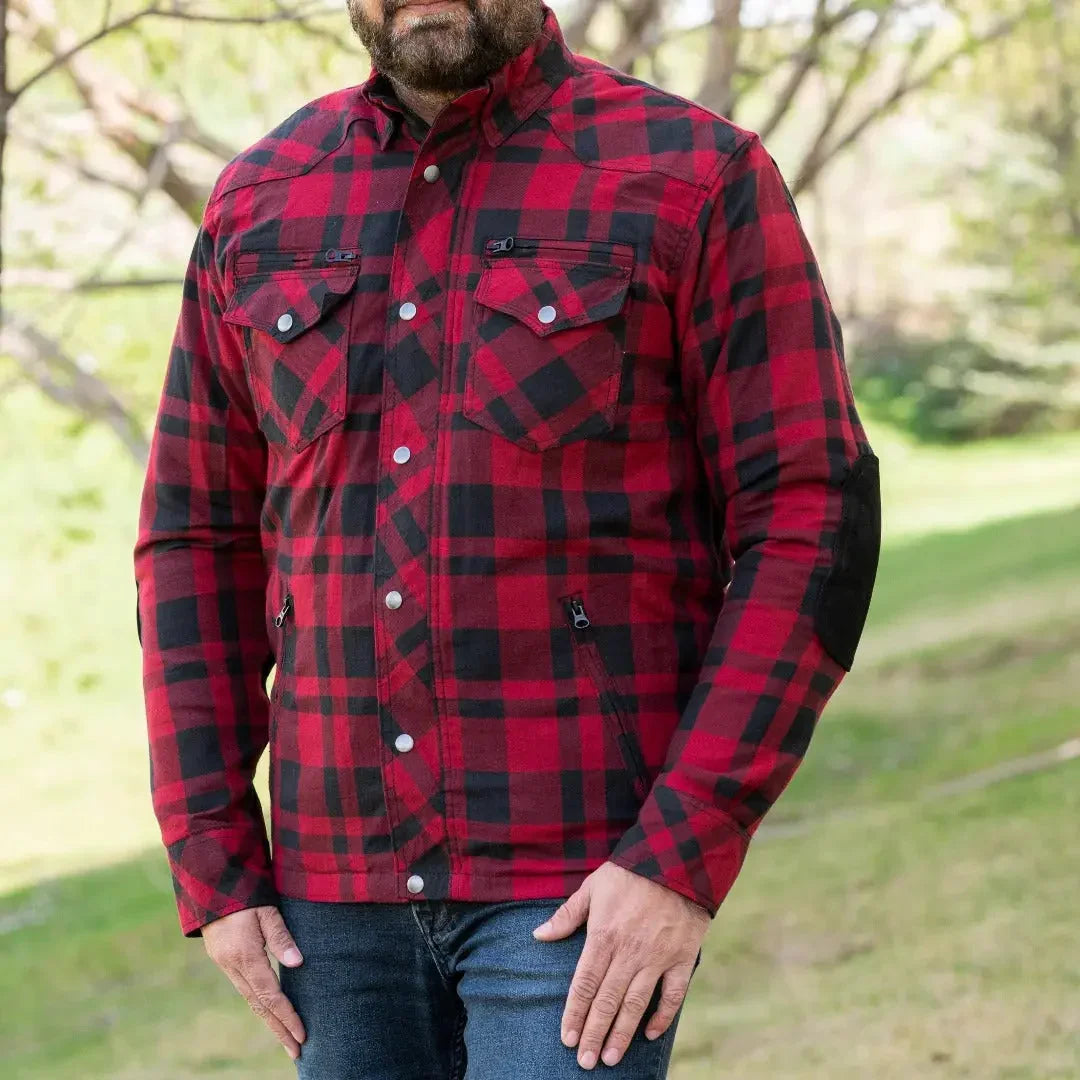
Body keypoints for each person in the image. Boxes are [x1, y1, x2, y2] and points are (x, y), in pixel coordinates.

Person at [132, 1, 881, 1076]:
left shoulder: (696, 175)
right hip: (327, 893)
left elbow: (814, 515)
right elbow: (193, 538)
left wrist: (679, 855)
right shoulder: (262, 196)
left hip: (583, 878)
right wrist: (211, 859)